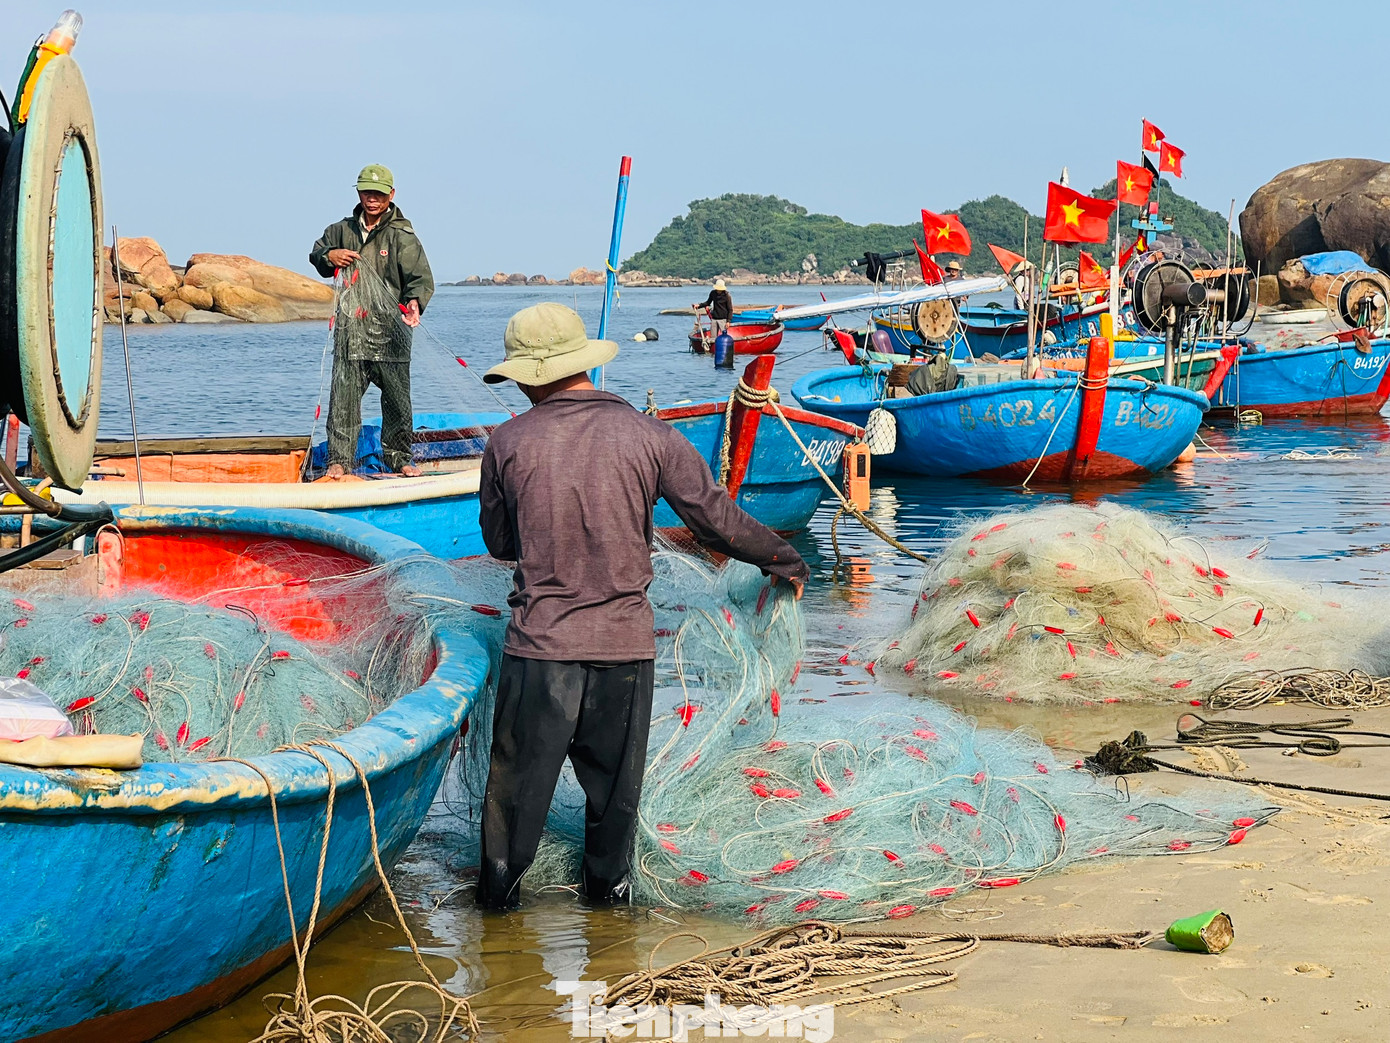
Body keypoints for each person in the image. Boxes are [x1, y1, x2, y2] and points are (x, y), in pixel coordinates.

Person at [475, 302, 808, 910]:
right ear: (583, 365)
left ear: (529, 375)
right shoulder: (653, 437)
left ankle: (496, 931)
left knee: (513, 807)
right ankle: (608, 925)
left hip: (541, 651)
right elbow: (716, 521)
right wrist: (783, 559)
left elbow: (499, 544)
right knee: (613, 806)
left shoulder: (508, 441)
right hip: (624, 652)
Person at [310, 164, 434, 478]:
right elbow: (318, 254)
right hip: (351, 331)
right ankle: (339, 460)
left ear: (390, 195)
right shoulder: (342, 230)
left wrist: (415, 303)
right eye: (367, 192)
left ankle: (400, 458)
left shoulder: (402, 235)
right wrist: (331, 256)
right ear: (359, 193)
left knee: (396, 400)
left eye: (379, 194)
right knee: (344, 398)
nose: (372, 199)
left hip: (391, 330)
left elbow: (419, 279)